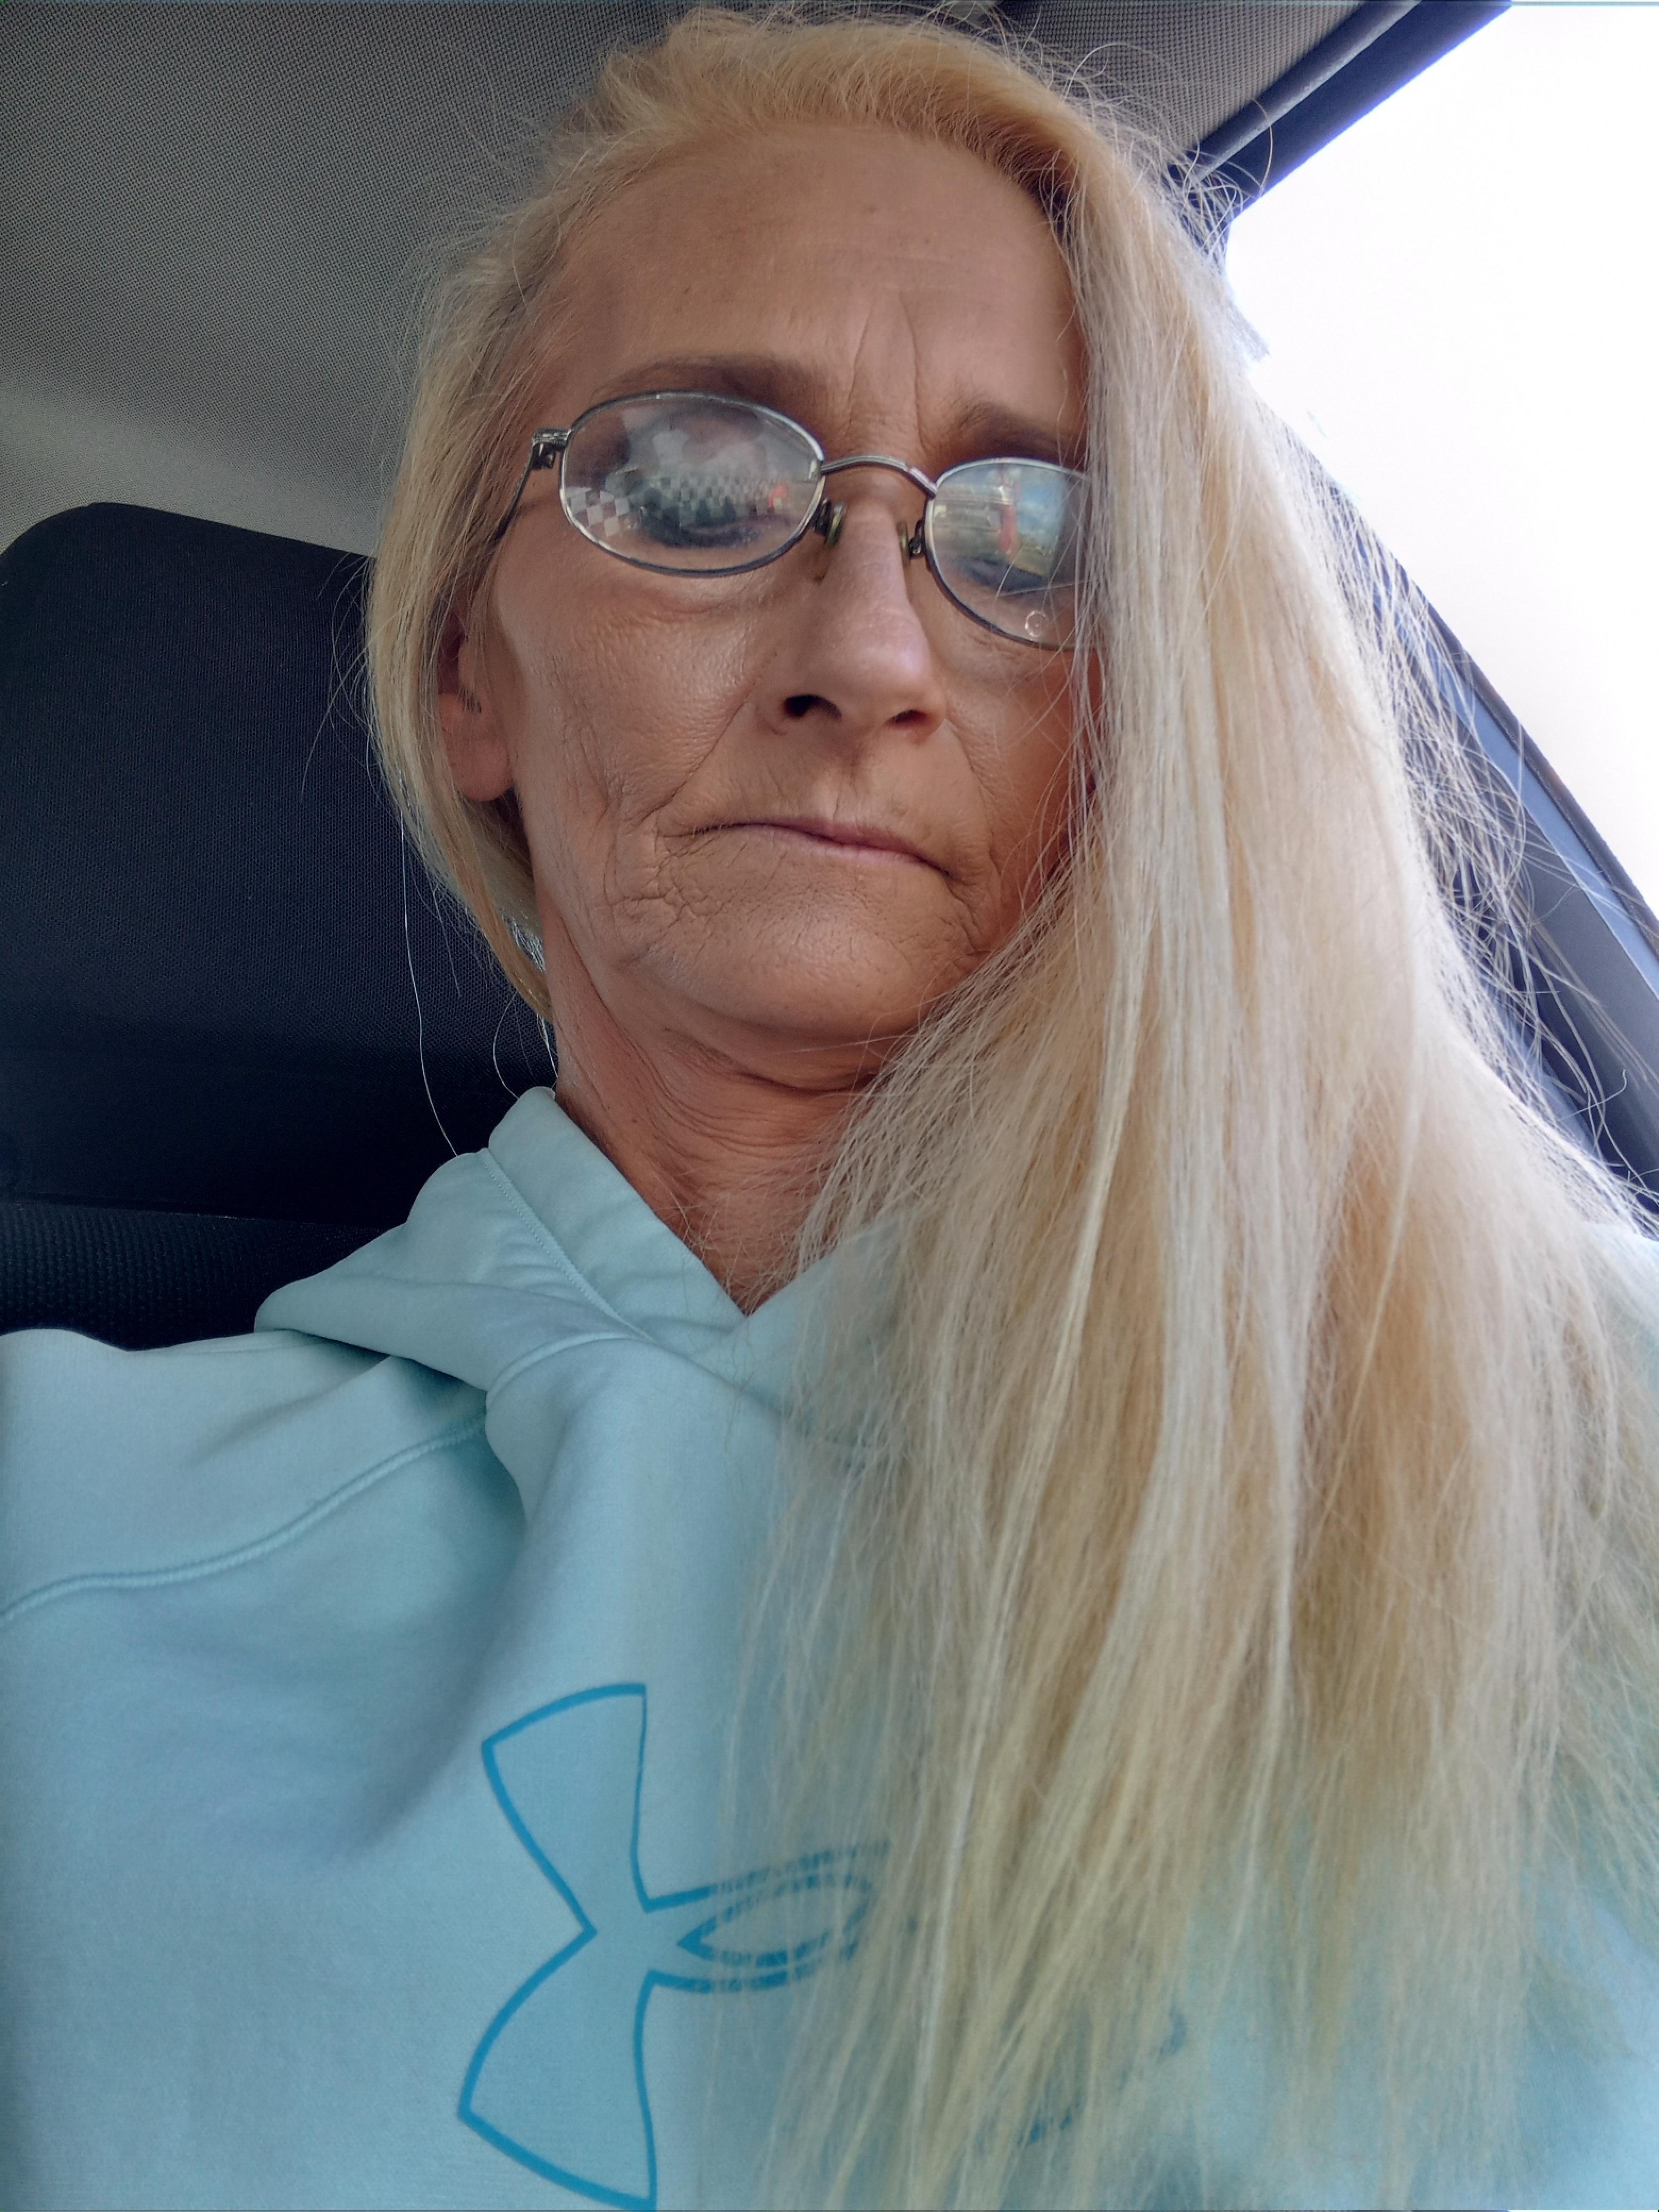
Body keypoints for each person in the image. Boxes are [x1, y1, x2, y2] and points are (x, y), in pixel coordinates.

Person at [4, 10, 1659, 2208]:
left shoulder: (1576, 1437)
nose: (870, 653)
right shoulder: (56, 1535)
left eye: (1038, 536)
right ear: (468, 669)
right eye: (697, 484)